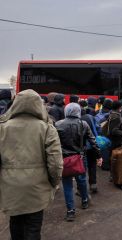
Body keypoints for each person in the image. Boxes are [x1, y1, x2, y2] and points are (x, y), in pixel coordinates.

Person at [0, 89, 63, 239]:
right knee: (33, 228)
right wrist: (54, 182)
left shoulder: (2, 127)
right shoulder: (47, 127)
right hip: (37, 186)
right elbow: (55, 162)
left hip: (10, 185)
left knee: (15, 224)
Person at [56, 103, 102, 222]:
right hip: (80, 157)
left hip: (64, 158)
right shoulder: (83, 124)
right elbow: (93, 141)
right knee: (81, 180)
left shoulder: (58, 124)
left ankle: (70, 211)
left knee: (67, 185)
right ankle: (85, 200)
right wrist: (99, 156)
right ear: (78, 111)